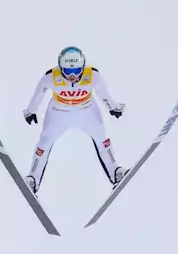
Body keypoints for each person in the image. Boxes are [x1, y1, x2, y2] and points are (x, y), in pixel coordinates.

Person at [22, 46, 126, 195]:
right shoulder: (51, 77)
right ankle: (33, 179)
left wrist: (113, 107)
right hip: (59, 113)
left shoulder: (92, 75)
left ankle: (116, 172)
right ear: (60, 66)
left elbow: (104, 94)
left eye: (76, 71)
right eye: (67, 70)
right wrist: (31, 111)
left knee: (103, 139)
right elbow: (39, 93)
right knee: (44, 143)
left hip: (87, 111)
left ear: (82, 67)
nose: (72, 75)